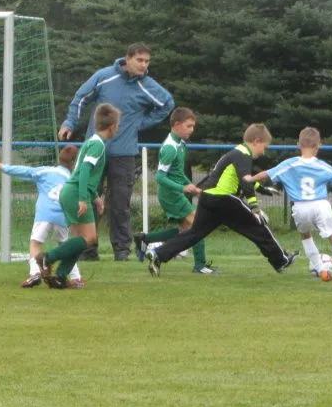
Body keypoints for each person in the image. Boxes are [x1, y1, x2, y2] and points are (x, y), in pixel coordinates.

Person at [58, 43, 175, 261]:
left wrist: (140, 123)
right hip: (96, 151)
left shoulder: (147, 85)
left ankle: (122, 251)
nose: (144, 65)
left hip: (124, 154)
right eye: (139, 60)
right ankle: (87, 250)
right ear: (127, 59)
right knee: (88, 197)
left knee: (121, 204)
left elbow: (167, 104)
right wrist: (70, 122)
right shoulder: (104, 76)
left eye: (147, 61)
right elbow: (81, 98)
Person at [147, 123, 298, 276]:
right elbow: (246, 181)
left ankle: (158, 254)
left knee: (194, 234)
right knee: (258, 226)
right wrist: (254, 207)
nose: (263, 151)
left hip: (208, 197)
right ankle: (281, 260)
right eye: (264, 147)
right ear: (256, 141)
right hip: (223, 199)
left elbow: (241, 178)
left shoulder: (236, 152)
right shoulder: (244, 155)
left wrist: (263, 189)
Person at [246, 126, 332, 284]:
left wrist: (250, 179)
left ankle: (321, 269)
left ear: (298, 145)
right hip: (320, 204)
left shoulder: (289, 164)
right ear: (318, 146)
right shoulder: (322, 166)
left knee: (305, 236)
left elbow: (266, 174)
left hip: (300, 207)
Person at [41, 103, 122, 288]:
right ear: (112, 126)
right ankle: (48, 258)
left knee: (80, 240)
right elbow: (84, 171)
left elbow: (84, 173)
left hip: (71, 191)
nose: (118, 128)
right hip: (76, 193)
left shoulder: (92, 141)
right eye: (118, 125)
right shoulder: (97, 145)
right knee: (90, 238)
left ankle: (61, 276)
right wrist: (84, 199)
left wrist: (95, 198)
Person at [134, 107, 216, 274]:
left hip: (175, 193)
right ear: (177, 125)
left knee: (185, 232)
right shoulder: (170, 147)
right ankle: (199, 266)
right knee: (198, 225)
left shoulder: (180, 143)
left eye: (193, 126)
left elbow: (177, 173)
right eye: (188, 126)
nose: (192, 130)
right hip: (170, 195)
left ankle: (146, 239)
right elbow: (159, 177)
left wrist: (191, 186)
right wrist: (183, 187)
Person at [0, 144, 84, 288]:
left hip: (44, 214)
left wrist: (4, 167)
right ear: (73, 163)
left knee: (35, 243)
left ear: (59, 158)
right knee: (65, 246)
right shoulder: (72, 178)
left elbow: (25, 171)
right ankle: (76, 277)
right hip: (62, 216)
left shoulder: (45, 171)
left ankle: (35, 273)